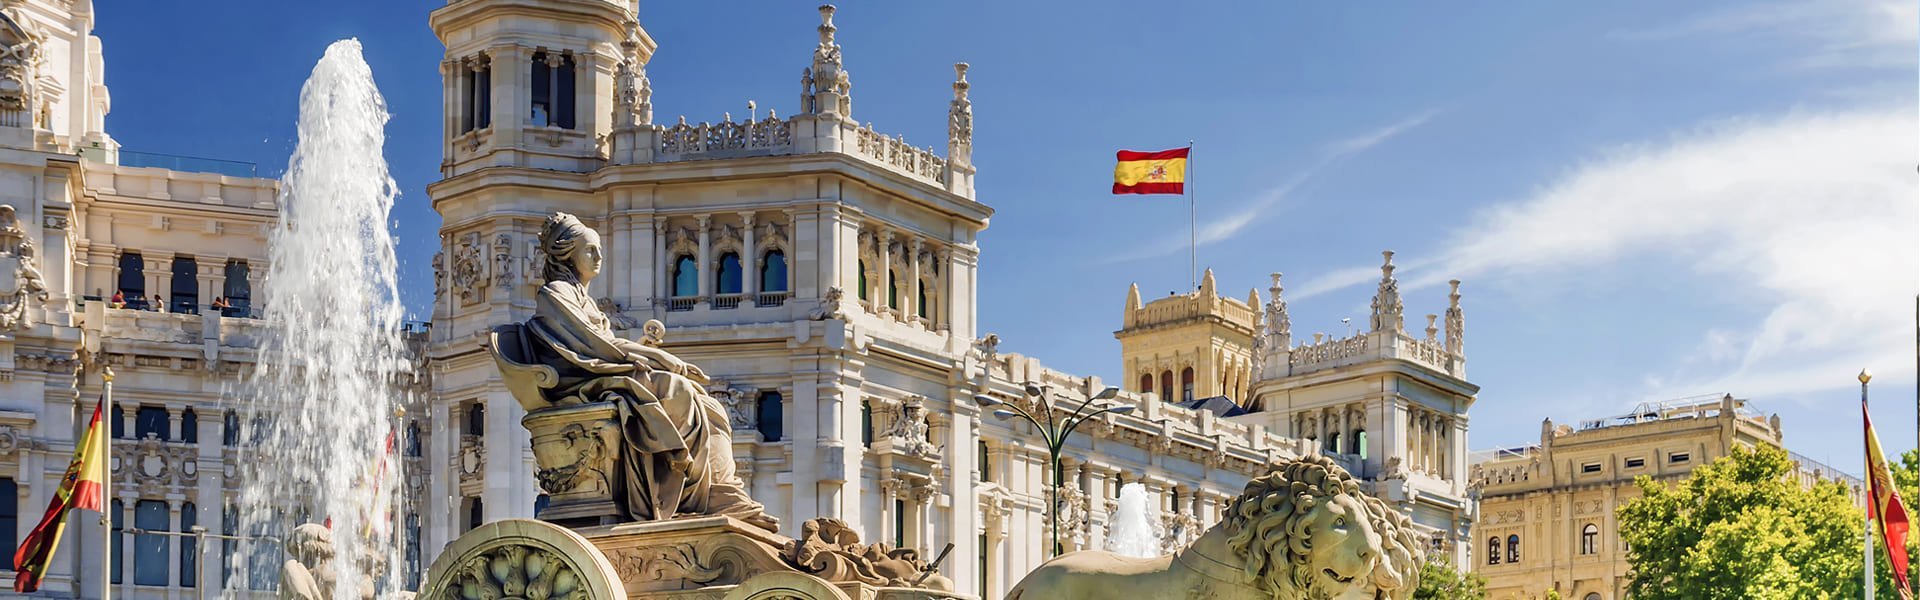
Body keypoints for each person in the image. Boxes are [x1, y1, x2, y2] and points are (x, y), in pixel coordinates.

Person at [526, 212, 776, 531]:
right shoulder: (556, 294)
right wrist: (660, 359)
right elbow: (594, 346)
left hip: (606, 375)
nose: (599, 256)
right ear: (567, 253)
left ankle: (717, 493)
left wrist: (644, 352)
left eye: (599, 249)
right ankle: (689, 492)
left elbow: (604, 344)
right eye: (590, 250)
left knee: (710, 406)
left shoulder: (582, 298)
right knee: (679, 390)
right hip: (585, 385)